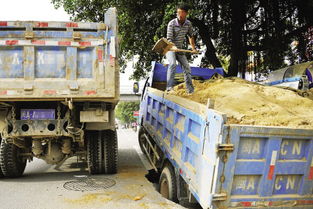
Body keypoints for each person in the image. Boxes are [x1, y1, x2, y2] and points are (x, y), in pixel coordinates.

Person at [166, 3, 197, 94]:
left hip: (179, 49)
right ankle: (169, 87)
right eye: (178, 13)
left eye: (181, 13)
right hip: (170, 48)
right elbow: (169, 39)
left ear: (186, 13)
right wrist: (173, 46)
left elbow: (190, 36)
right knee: (172, 64)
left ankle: (190, 90)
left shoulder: (188, 24)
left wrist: (193, 48)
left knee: (187, 67)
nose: (179, 15)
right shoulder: (171, 23)